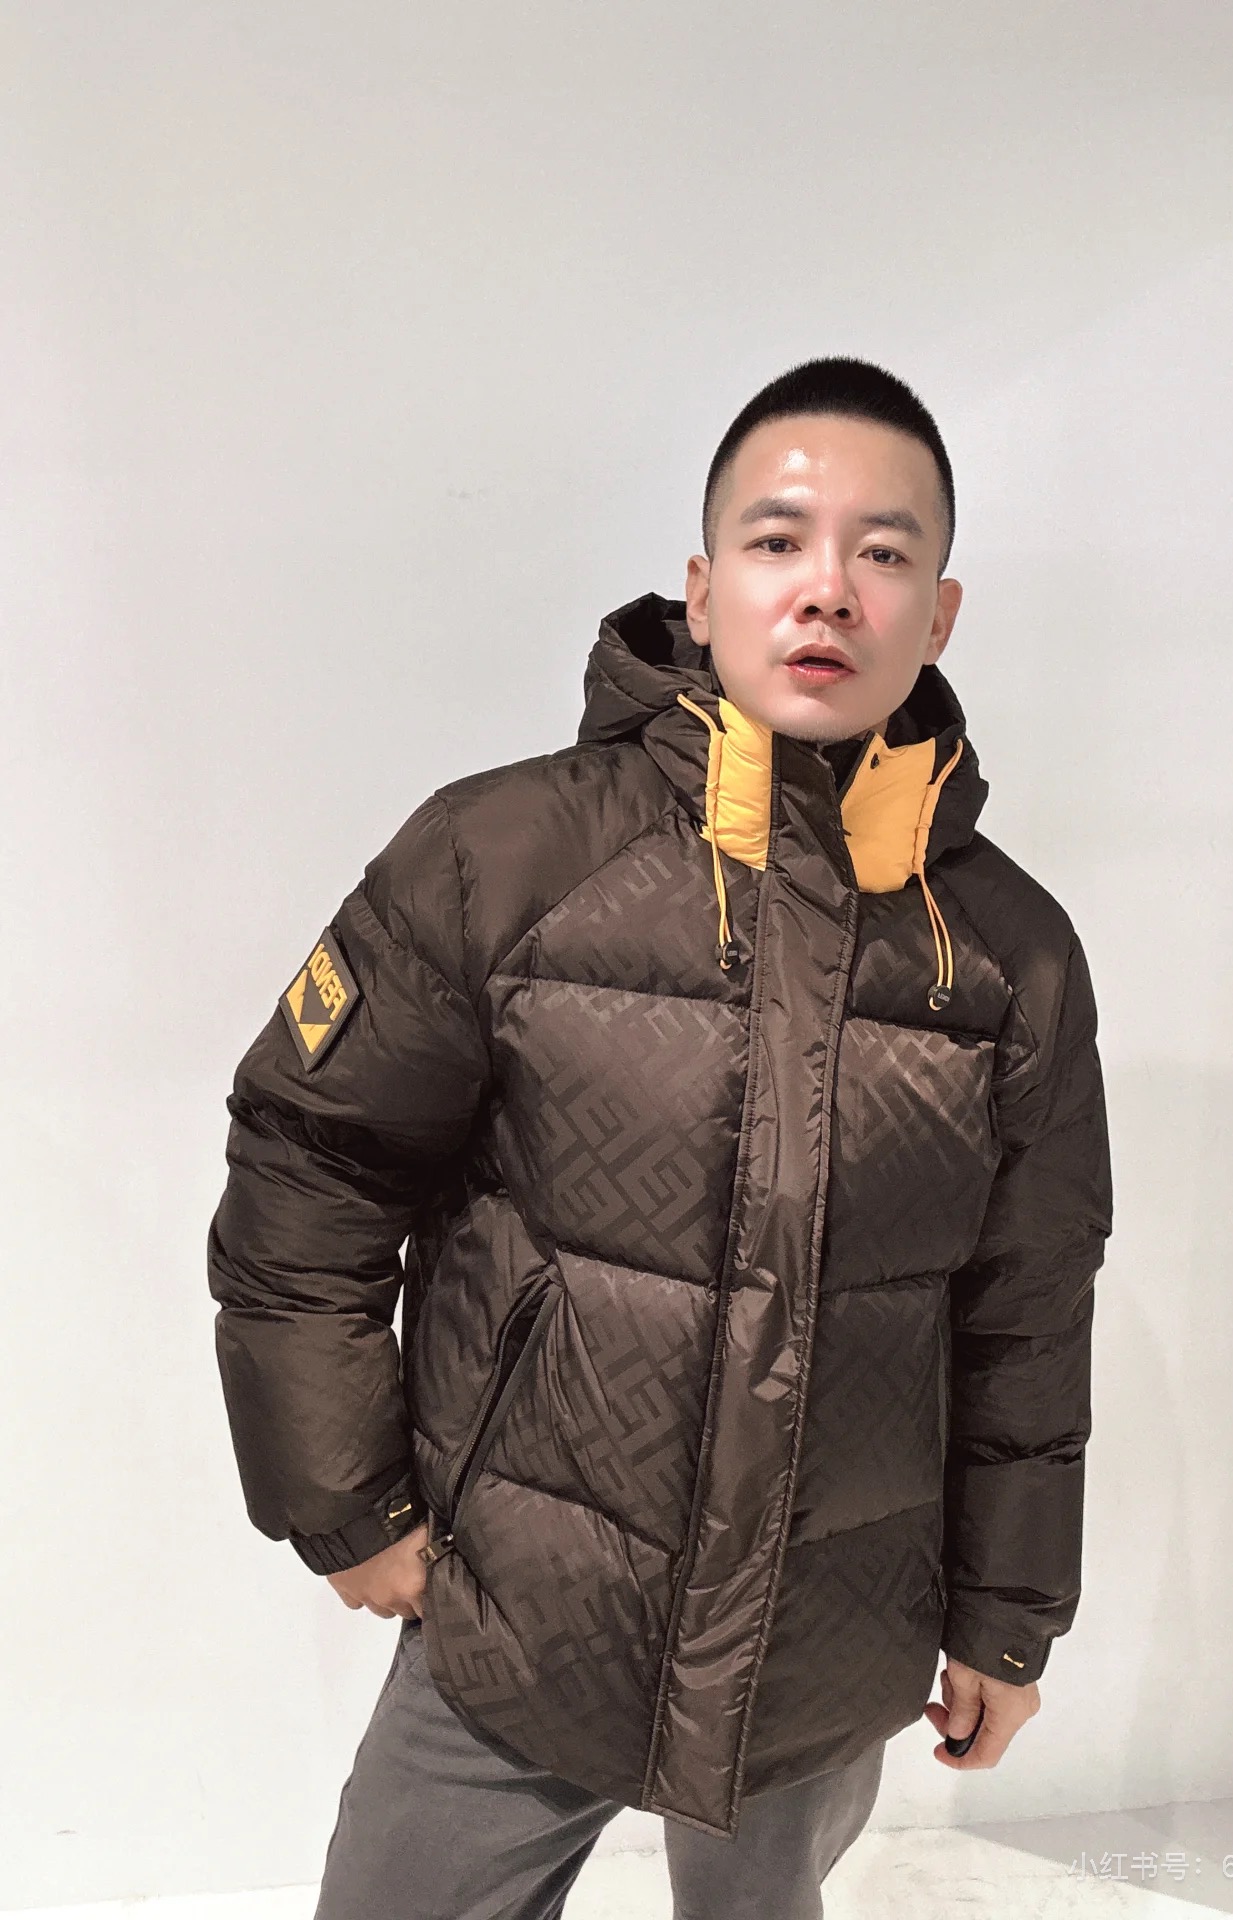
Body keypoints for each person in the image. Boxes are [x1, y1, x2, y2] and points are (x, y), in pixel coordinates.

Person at [207, 353, 1114, 1919]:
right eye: (778, 541)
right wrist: (342, 1500)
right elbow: (312, 1163)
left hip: (832, 1636)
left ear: (939, 614)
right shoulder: (500, 856)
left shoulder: (1006, 956)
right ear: (701, 589)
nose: (826, 588)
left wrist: (1006, 1615)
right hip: (520, 1620)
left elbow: (1027, 1309)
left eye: (883, 552)